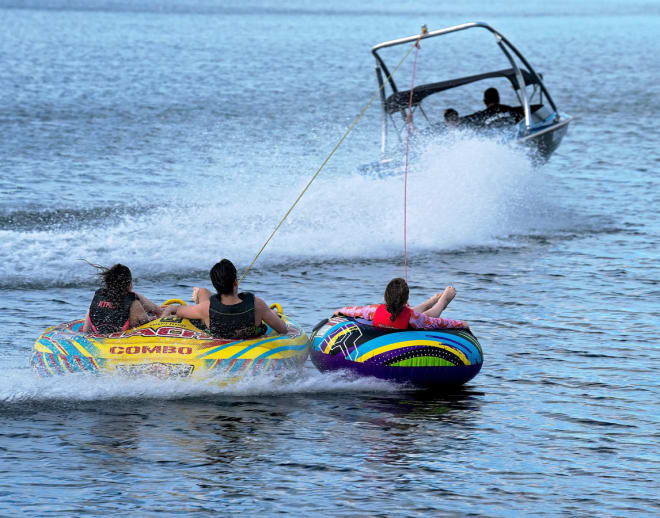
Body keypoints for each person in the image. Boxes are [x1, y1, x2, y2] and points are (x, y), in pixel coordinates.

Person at [162, 258, 288, 339]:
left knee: (203, 293)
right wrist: (271, 313)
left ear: (215, 286)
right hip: (249, 335)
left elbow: (175, 310)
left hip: (212, 318)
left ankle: (199, 292)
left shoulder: (205, 308)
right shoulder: (257, 305)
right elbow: (283, 329)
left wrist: (162, 320)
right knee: (204, 294)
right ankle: (200, 292)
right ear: (235, 283)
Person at [333, 277, 469, 331]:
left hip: (388, 333)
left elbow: (350, 310)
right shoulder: (414, 318)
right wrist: (461, 324)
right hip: (402, 338)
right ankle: (442, 300)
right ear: (406, 300)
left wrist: (338, 312)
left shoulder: (372, 311)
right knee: (428, 316)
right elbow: (437, 322)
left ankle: (432, 301)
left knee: (415, 316)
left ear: (385, 297)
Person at [82, 263, 163, 334]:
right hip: (123, 337)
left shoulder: (98, 295)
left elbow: (85, 330)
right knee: (136, 301)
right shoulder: (133, 301)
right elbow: (147, 327)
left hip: (97, 333)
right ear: (129, 283)